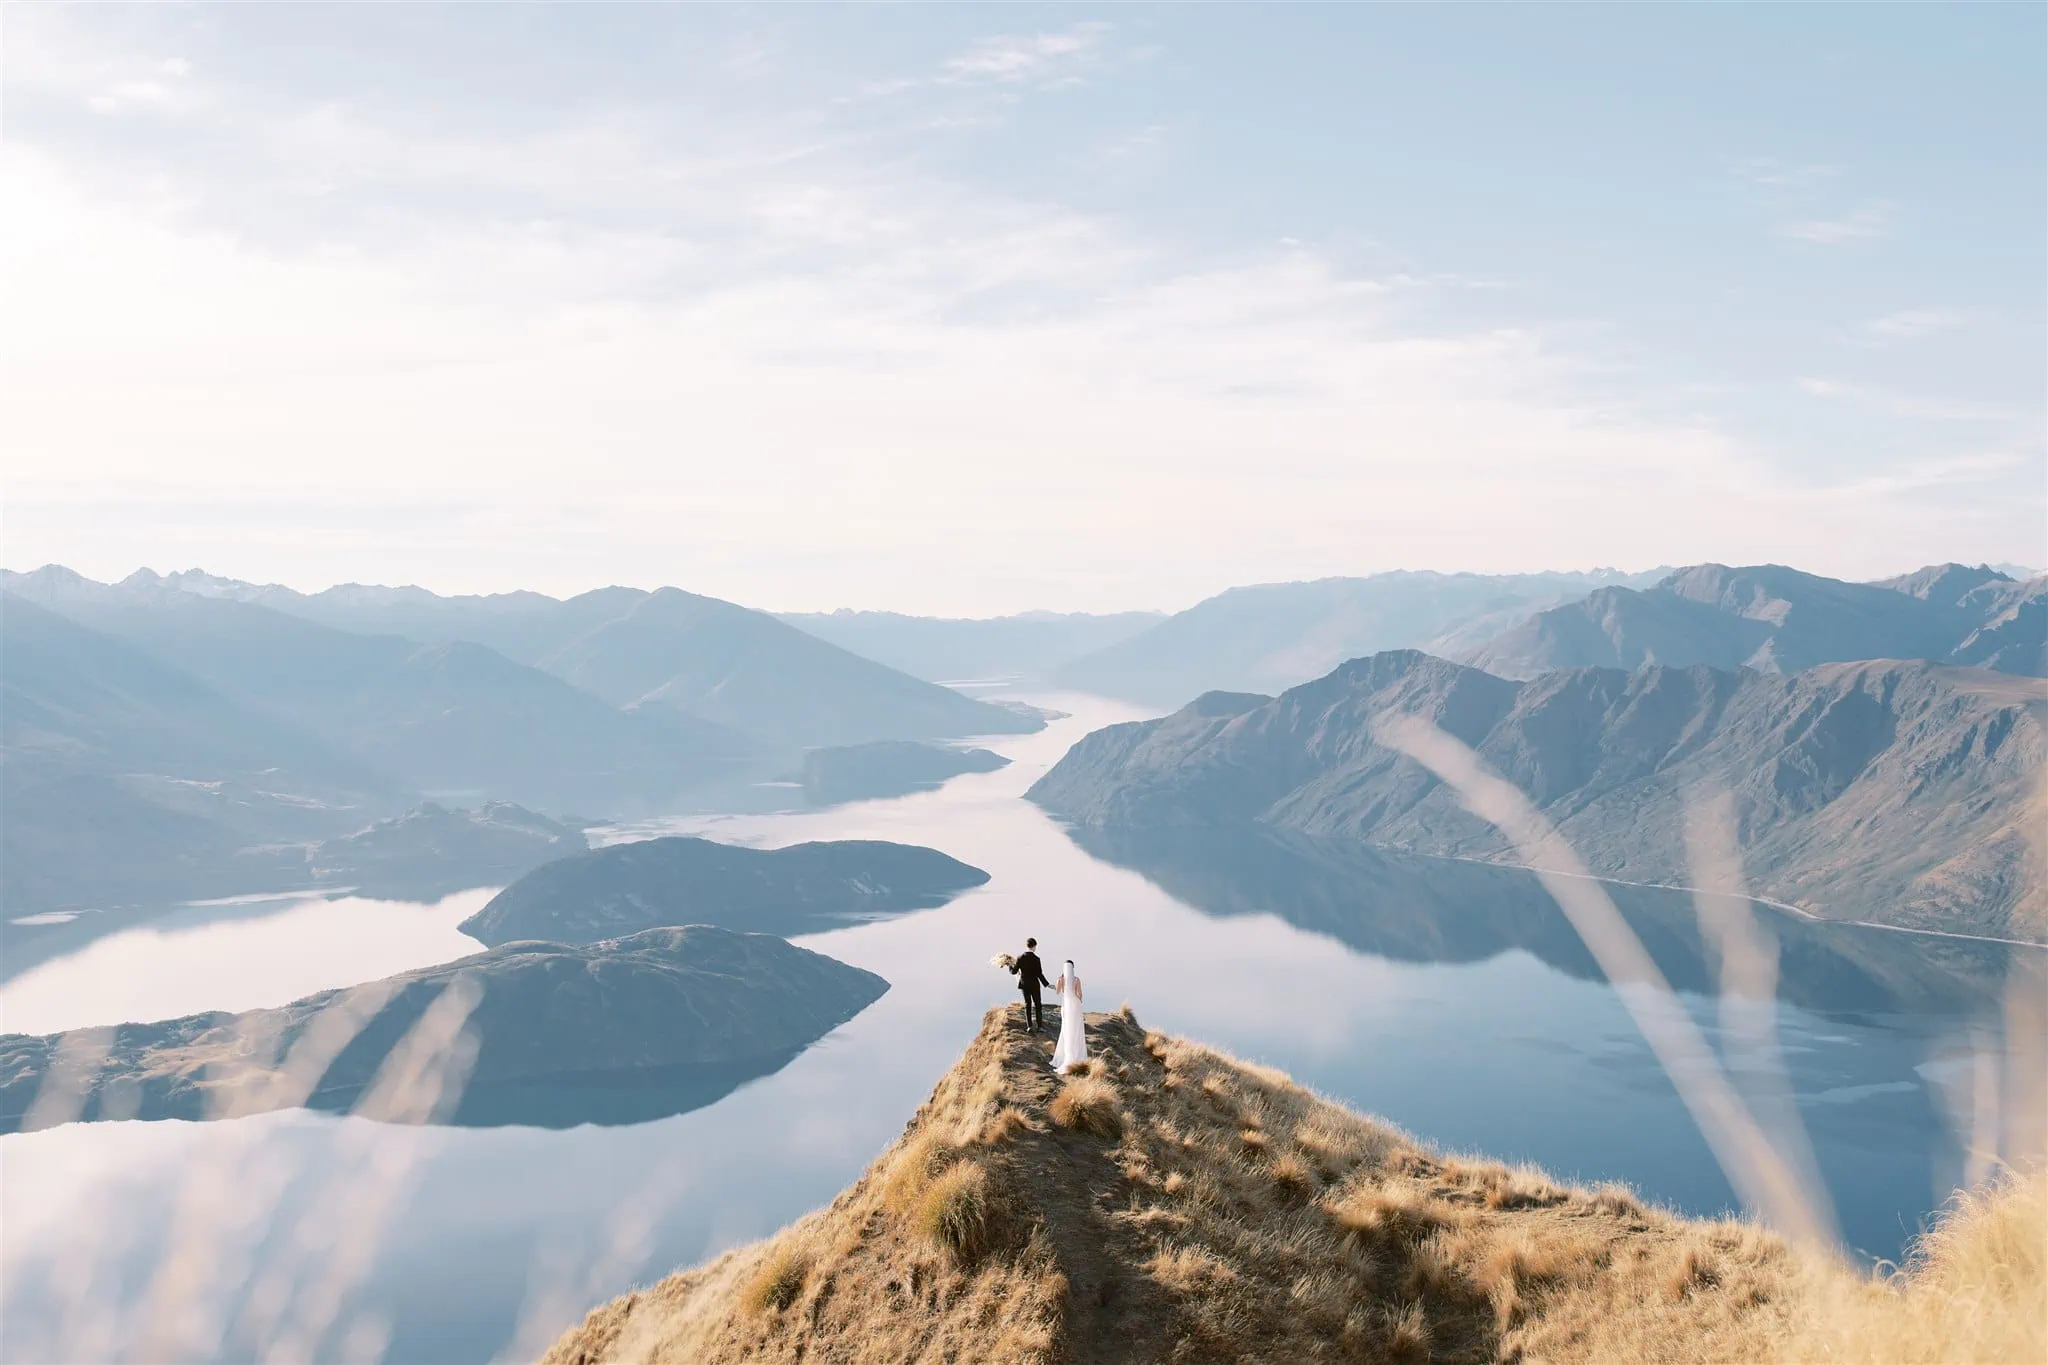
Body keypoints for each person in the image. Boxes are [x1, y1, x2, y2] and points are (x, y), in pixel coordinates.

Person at [1050, 959, 1088, 1073]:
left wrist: (1059, 982)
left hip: (1066, 1006)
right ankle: (1077, 1055)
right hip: (1075, 1005)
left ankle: (1067, 1055)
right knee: (1076, 1029)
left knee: (1067, 1029)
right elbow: (1079, 994)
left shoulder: (1061, 979)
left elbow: (1057, 992)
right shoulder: (1076, 980)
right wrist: (1079, 1000)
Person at [1010, 938, 1055, 1032]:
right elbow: (1039, 974)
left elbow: (1014, 972)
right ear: (1034, 946)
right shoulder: (1036, 959)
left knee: (1028, 1005)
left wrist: (1009, 965)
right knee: (1038, 1005)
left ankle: (1029, 1026)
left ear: (1026, 946)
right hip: (1034, 984)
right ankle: (1040, 1027)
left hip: (1024, 984)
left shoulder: (1020, 957)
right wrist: (1047, 985)